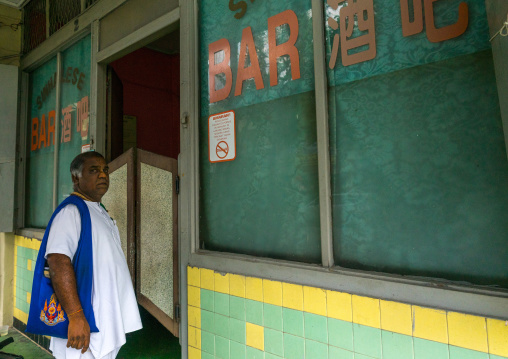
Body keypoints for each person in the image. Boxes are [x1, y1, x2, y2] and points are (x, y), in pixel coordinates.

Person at [45, 151, 142, 359]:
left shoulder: (97, 209)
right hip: (84, 325)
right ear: (75, 178)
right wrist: (76, 316)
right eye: (94, 170)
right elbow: (58, 262)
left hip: (101, 319)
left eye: (105, 170)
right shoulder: (71, 211)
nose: (103, 175)